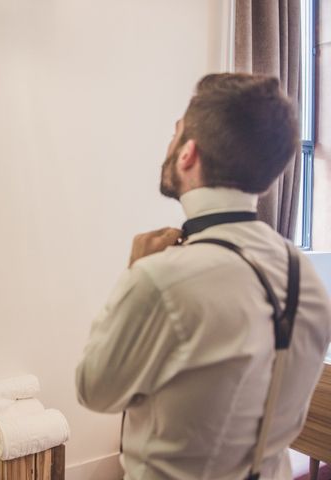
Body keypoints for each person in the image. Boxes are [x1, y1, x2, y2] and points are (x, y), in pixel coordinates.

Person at [75, 73, 331, 479]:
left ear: (187, 154)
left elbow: (94, 389)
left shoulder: (161, 280)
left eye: (174, 135)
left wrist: (135, 272)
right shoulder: (310, 279)